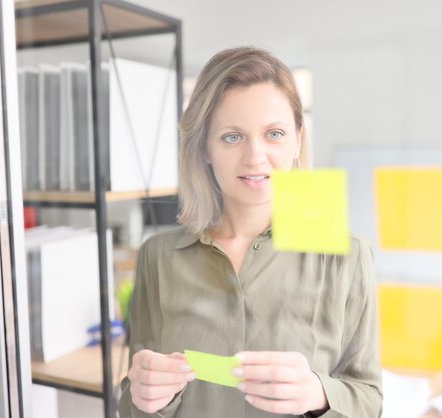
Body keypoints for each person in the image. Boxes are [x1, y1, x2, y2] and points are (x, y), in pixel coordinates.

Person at [119, 46, 382, 418]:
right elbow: (131, 401)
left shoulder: (347, 256)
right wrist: (143, 399)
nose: (255, 156)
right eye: (232, 137)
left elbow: (369, 399)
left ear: (297, 141)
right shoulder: (156, 257)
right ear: (205, 147)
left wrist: (319, 394)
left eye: (274, 133)